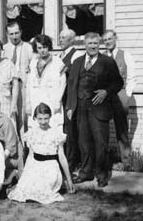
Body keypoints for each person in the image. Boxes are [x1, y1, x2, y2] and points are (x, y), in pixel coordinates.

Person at [66, 32, 124, 187]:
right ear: (84, 45)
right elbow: (72, 86)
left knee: (100, 143)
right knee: (83, 142)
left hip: (100, 108)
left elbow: (118, 83)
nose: (92, 46)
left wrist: (106, 91)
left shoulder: (107, 62)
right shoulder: (77, 62)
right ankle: (86, 172)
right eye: (90, 43)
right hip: (81, 109)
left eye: (95, 43)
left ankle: (102, 174)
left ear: (99, 45)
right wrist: (71, 107)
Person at [8, 103, 75, 204]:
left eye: (46, 118)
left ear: (50, 117)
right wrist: (25, 176)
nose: (43, 122)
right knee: (25, 189)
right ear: (35, 118)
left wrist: (69, 180)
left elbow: (62, 157)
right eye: (40, 119)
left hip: (50, 167)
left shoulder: (56, 133)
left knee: (43, 189)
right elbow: (30, 157)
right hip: (35, 166)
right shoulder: (32, 133)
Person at [103, 30, 137, 170]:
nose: (108, 42)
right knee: (102, 128)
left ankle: (126, 162)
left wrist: (127, 94)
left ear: (116, 38)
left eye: (110, 39)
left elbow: (132, 77)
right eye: (105, 40)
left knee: (121, 128)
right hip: (105, 96)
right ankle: (104, 162)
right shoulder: (102, 57)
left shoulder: (125, 55)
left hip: (120, 94)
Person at [26, 34, 66, 129]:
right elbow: (28, 84)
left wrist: (58, 100)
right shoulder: (33, 62)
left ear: (49, 47)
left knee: (53, 126)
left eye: (45, 47)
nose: (42, 50)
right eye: (39, 48)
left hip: (52, 99)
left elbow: (63, 83)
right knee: (35, 126)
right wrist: (27, 102)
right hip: (35, 98)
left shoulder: (57, 62)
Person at [58, 29, 83, 174]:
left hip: (69, 97)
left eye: (64, 38)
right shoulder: (59, 55)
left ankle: (72, 162)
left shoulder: (76, 55)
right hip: (59, 97)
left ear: (72, 40)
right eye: (60, 37)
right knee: (62, 129)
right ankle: (63, 160)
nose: (61, 40)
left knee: (71, 131)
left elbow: (74, 80)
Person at [3, 21, 34, 134]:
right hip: (8, 87)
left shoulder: (29, 47)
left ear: (21, 32)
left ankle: (24, 145)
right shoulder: (3, 49)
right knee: (9, 114)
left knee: (23, 115)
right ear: (7, 34)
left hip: (22, 86)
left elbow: (33, 66)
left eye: (16, 33)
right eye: (11, 34)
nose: (14, 36)